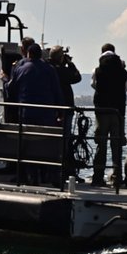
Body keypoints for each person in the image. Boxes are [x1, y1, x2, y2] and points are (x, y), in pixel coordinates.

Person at [90, 43, 127, 187]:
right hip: (118, 111)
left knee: (101, 145)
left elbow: (94, 85)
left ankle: (98, 177)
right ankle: (117, 177)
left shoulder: (97, 70)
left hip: (102, 111)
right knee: (116, 145)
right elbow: (125, 89)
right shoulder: (123, 72)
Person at [6, 42, 62, 126]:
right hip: (46, 115)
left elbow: (11, 89)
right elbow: (57, 91)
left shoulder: (20, 70)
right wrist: (61, 112)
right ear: (40, 55)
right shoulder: (50, 70)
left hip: (26, 114)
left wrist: (5, 80)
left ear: (28, 54)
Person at [48, 46, 82, 180]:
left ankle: (54, 171)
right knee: (65, 141)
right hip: (65, 109)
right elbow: (77, 77)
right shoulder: (61, 70)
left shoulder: (48, 68)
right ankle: (64, 171)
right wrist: (70, 63)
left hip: (51, 109)